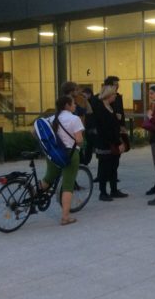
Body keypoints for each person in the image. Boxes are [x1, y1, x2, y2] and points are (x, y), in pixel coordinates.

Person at [38, 96, 84, 226]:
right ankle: (65, 217)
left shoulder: (52, 118)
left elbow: (33, 131)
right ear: (67, 105)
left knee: (47, 179)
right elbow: (79, 140)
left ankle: (32, 195)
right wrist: (82, 145)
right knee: (68, 184)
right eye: (74, 103)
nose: (75, 105)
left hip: (53, 153)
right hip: (69, 154)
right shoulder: (74, 119)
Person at [94, 85, 127, 201]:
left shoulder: (110, 107)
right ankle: (102, 192)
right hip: (105, 142)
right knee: (104, 168)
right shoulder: (100, 108)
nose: (115, 96)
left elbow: (113, 126)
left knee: (114, 166)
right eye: (114, 94)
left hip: (113, 141)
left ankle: (114, 189)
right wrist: (118, 142)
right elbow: (105, 128)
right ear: (108, 95)